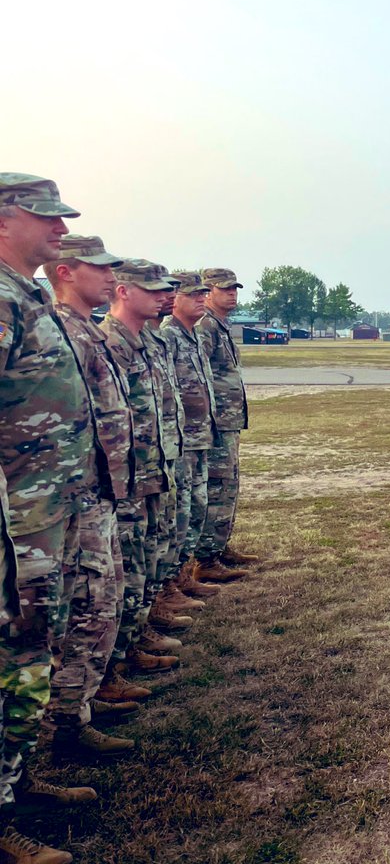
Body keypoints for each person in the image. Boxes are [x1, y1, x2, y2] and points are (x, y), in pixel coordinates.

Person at [0, 173, 94, 864]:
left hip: (43, 513)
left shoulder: (25, 293)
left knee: (32, 651)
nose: (61, 231)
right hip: (14, 522)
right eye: (47, 217)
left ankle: (18, 781)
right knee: (13, 656)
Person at [42, 236, 141, 759]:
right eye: (96, 268)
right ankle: (64, 726)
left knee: (102, 600)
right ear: (64, 272)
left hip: (99, 491)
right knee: (84, 607)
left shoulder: (84, 330)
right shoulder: (58, 329)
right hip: (71, 497)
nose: (108, 277)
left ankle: (78, 708)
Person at [100, 259, 181, 697]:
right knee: (125, 571)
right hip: (124, 479)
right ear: (124, 291)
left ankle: (135, 641)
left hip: (152, 469)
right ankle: (110, 671)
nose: (162, 296)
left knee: (147, 560)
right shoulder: (108, 342)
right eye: (151, 290)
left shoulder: (144, 341)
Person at [162, 273, 221, 594]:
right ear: (175, 299)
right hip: (181, 441)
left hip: (200, 437)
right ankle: (171, 584)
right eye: (193, 294)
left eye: (203, 294)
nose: (201, 298)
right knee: (180, 512)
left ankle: (184, 576)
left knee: (197, 507)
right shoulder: (168, 335)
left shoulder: (194, 335)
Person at [195, 268, 254, 579]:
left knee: (228, 484)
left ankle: (218, 546)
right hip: (215, 421)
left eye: (235, 289)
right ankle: (205, 559)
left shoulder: (220, 326)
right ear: (208, 292)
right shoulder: (205, 326)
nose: (232, 293)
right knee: (216, 486)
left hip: (228, 420)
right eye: (225, 289)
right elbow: (197, 376)